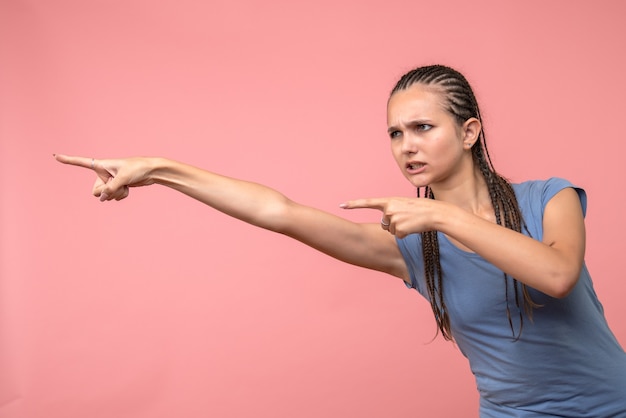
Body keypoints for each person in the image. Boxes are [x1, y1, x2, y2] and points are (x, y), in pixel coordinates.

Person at [55, 64, 626, 417]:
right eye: (396, 133)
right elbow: (277, 211)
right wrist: (159, 168)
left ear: (469, 131)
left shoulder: (548, 198)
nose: (407, 146)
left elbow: (556, 274)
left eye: (423, 128)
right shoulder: (409, 250)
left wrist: (444, 219)